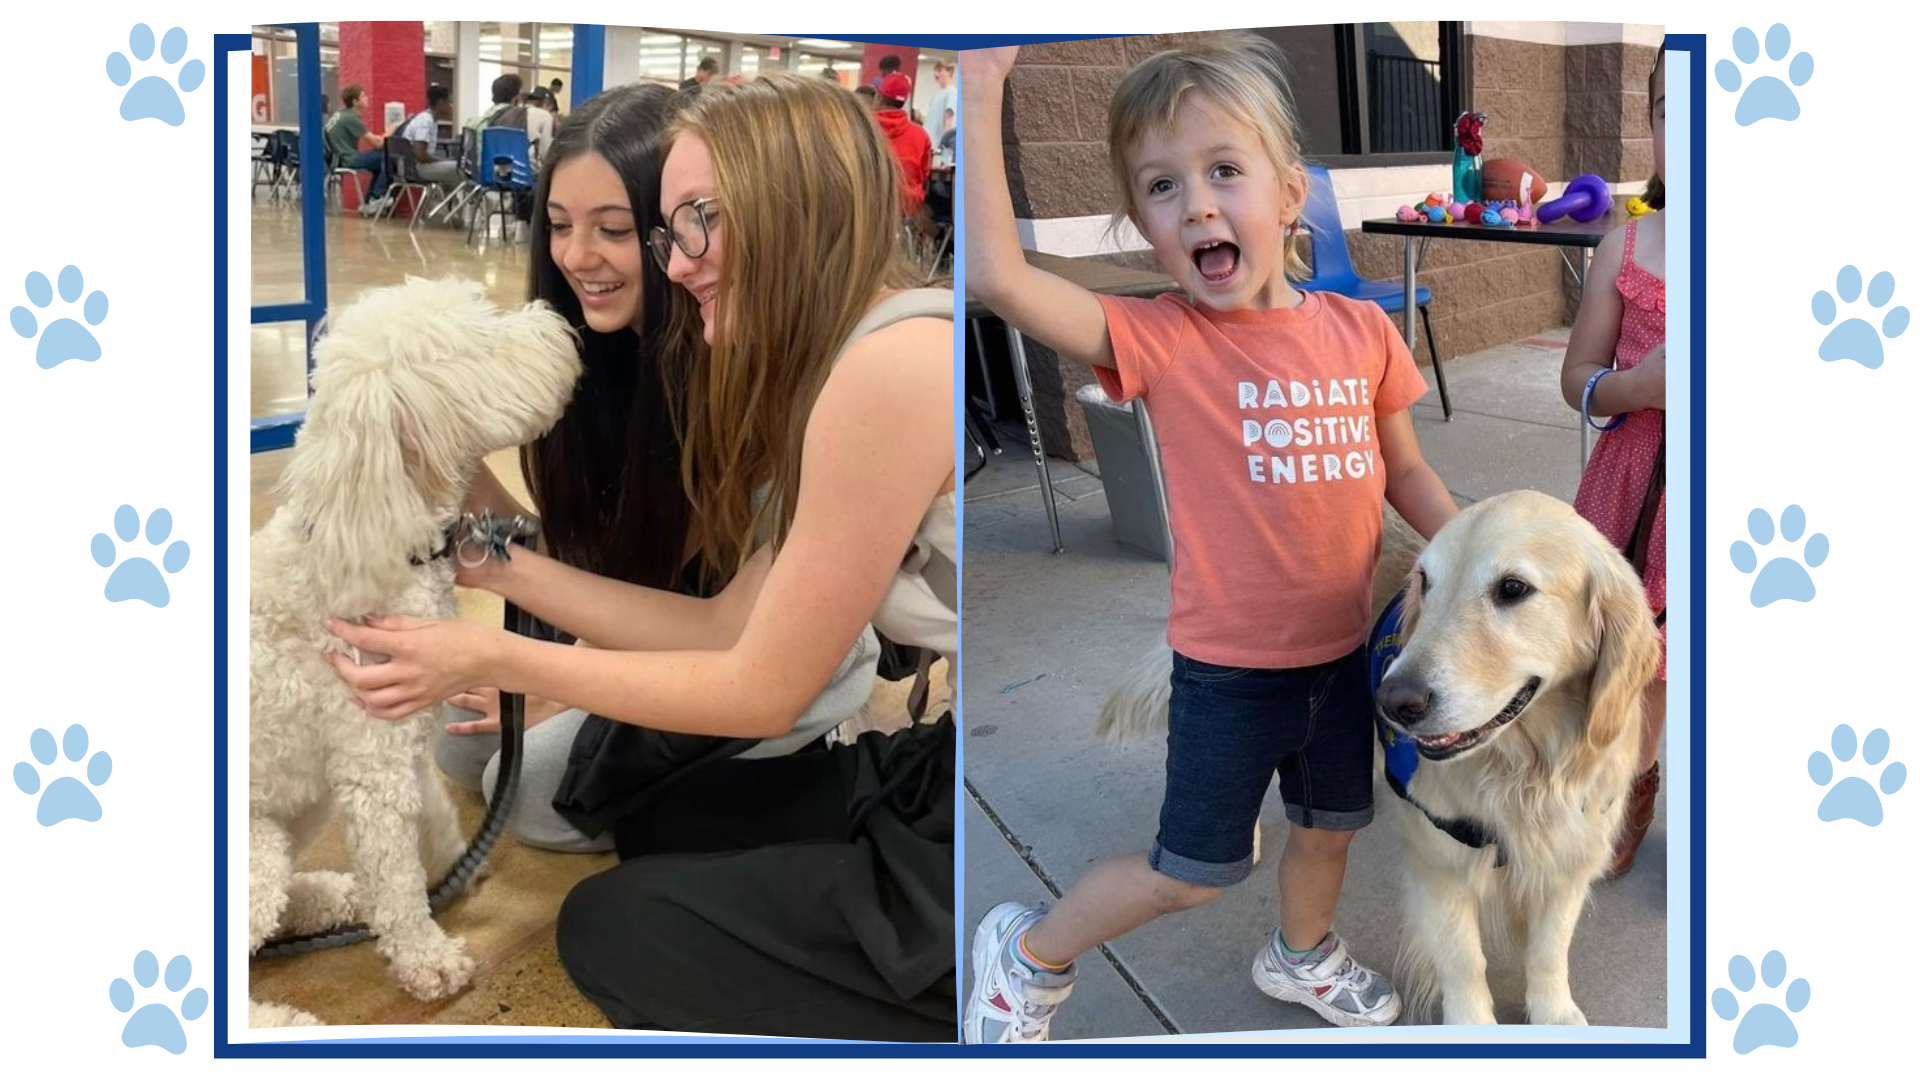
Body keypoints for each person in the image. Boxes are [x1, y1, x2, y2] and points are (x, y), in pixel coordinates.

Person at [328, 73, 957, 1041]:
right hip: (755, 674)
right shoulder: (819, 357)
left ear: (793, 207)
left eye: (681, 223)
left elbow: (755, 675)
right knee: (642, 821)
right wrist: (484, 551)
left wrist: (503, 658)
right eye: (669, 229)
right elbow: (716, 623)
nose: (671, 260)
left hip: (864, 733)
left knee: (604, 919)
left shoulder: (871, 367)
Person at [960, 36, 1459, 1043]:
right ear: (1141, 222)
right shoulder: (1165, 339)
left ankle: (1301, 955)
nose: (1195, 204)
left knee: (1329, 832)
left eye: (1223, 171)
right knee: (1189, 875)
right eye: (1161, 185)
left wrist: (1474, 556)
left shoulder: (1362, 334)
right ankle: (1029, 955)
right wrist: (978, 85)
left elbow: (1403, 470)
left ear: (1286, 196)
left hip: (1346, 657)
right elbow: (999, 277)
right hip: (1231, 674)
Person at [428, 84, 883, 859]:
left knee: (530, 793)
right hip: (661, 628)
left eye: (612, 229)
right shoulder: (586, 354)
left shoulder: (762, 371)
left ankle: (816, 759)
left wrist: (539, 650)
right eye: (561, 227)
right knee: (461, 748)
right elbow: (597, 561)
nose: (576, 258)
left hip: (766, 648)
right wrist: (450, 459)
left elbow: (720, 622)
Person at [1561, 49, 1667, 878]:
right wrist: (1634, 384)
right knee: (1617, 651)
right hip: (1633, 485)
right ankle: (1621, 782)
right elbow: (1578, 382)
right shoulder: (1624, 243)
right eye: (1674, 110)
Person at [874, 72, 932, 214]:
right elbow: (924, 173)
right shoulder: (921, 135)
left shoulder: (863, 126)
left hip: (869, 202)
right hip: (905, 206)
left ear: (879, 97)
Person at [323, 84, 388, 199]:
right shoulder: (351, 118)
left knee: (379, 161)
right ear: (355, 101)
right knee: (388, 159)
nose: (367, 98)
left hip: (337, 158)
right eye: (363, 96)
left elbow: (373, 138)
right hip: (348, 158)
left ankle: (371, 199)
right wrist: (392, 130)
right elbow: (377, 144)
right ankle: (376, 197)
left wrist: (381, 137)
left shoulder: (340, 114)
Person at [922, 58, 957, 148]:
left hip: (937, 143)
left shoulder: (952, 92)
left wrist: (945, 145)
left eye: (940, 70)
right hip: (927, 140)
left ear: (949, 72)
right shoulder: (936, 95)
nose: (936, 74)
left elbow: (948, 119)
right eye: (935, 70)